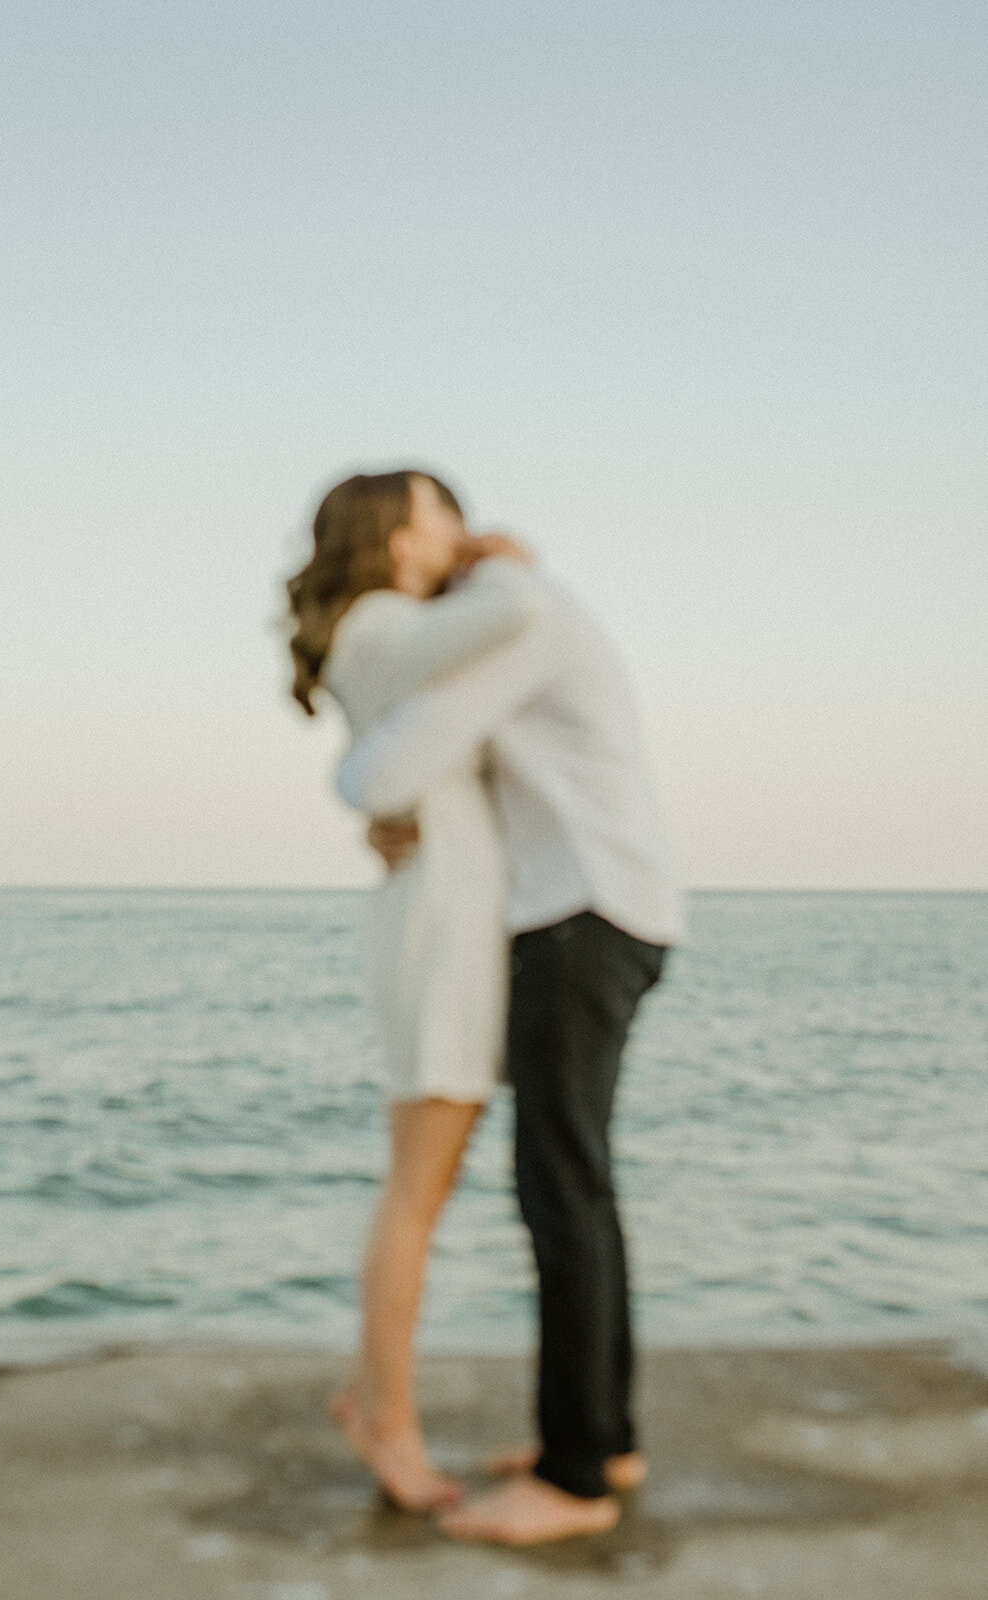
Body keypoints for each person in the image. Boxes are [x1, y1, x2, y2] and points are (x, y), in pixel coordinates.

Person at [336, 515, 685, 1545]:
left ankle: (575, 1479)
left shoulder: (512, 620)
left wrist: (359, 790)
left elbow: (388, 768)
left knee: (560, 1190)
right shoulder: (525, 614)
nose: (434, 537)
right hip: (610, 910)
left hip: (576, 918)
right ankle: (601, 1438)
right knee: (580, 1183)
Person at [284, 469, 543, 1512]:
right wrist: (503, 558)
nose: (462, 528)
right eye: (444, 513)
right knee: (417, 1194)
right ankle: (382, 1414)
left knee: (420, 1188)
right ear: (397, 538)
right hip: (438, 925)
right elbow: (522, 609)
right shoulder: (383, 623)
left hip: (442, 912)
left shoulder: (383, 630)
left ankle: (378, 1399)